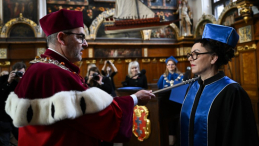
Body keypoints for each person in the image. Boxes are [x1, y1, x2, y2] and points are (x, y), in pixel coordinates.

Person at [4, 9, 155, 146]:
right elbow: (94, 114)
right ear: (61, 38)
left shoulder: (41, 68)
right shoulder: (53, 72)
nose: (86, 44)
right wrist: (134, 99)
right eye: (80, 37)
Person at [181, 23, 259, 146]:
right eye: (190, 54)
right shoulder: (192, 88)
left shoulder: (232, 91)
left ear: (213, 58)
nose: (190, 58)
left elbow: (240, 137)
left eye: (196, 54)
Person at [0, 62, 26, 146]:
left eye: (22, 72)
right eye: (18, 72)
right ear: (13, 72)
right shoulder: (4, 79)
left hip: (17, 117)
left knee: (23, 140)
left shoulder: (25, 82)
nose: (20, 74)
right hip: (4, 117)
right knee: (5, 142)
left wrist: (23, 81)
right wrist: (8, 82)